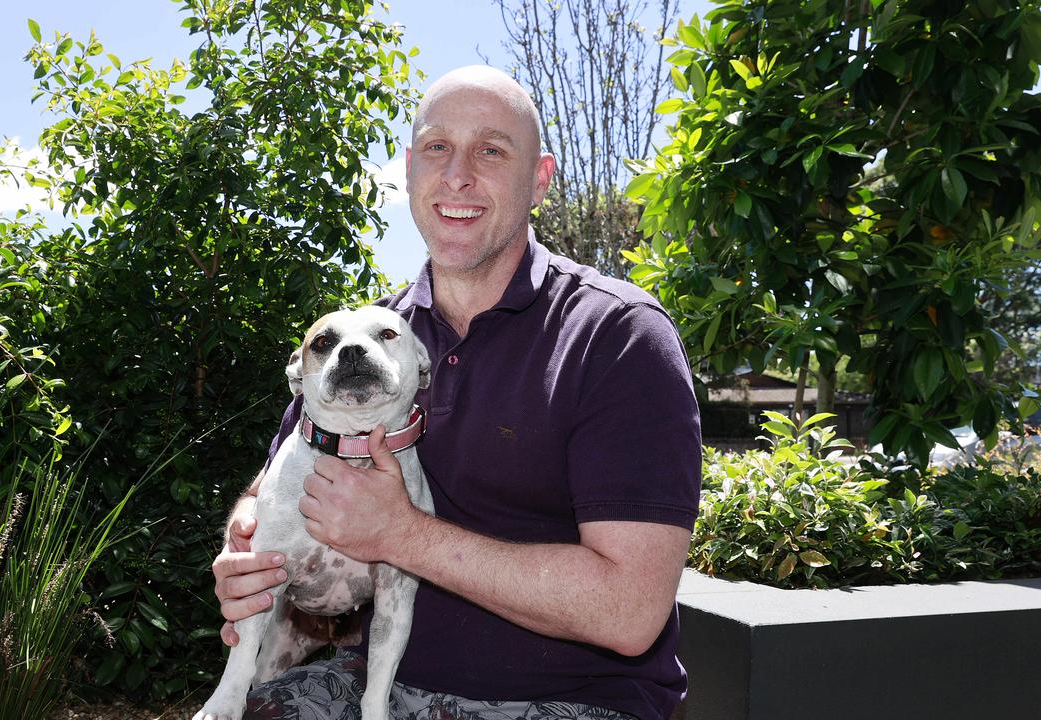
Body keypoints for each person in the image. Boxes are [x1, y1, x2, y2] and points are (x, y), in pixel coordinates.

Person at [211, 65, 701, 720]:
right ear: (410, 169)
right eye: (437, 148)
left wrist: (402, 534)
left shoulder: (617, 337)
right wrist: (243, 542)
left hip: (569, 702)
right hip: (374, 687)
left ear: (540, 180)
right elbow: (280, 472)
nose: (458, 174)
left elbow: (629, 611)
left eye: (492, 150)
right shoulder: (364, 344)